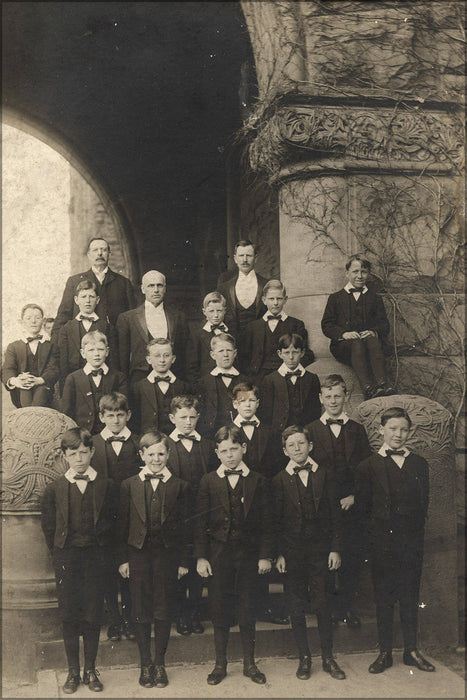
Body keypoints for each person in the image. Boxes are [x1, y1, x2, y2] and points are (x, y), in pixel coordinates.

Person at [355, 407, 435, 674]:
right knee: (385, 597)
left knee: (411, 595)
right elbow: (363, 511)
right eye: (392, 429)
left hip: (411, 542)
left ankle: (411, 650)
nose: (398, 435)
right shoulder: (367, 466)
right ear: (381, 430)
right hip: (382, 545)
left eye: (403, 429)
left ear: (410, 431)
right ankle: (385, 652)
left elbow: (423, 505)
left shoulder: (419, 464)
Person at [194, 425, 273, 686]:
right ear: (216, 452)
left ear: (244, 449)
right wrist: (201, 557)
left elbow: (266, 522)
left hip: (248, 554)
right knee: (219, 607)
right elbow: (200, 523)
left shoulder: (258, 480)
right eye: (224, 450)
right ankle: (220, 664)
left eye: (234, 449)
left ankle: (250, 663)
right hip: (218, 554)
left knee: (247, 606)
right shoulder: (208, 481)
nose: (230, 455)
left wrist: (265, 555)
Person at [41, 428, 118, 694]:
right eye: (73, 454)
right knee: (70, 615)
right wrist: (61, 556)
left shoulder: (106, 486)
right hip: (67, 560)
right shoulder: (54, 489)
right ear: (64, 456)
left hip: (96, 559)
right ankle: (73, 671)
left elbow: (113, 524)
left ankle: (90, 669)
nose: (79, 459)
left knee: (93, 613)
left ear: (92, 452)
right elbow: (49, 530)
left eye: (84, 452)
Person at [118, 431, 192, 689]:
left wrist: (183, 561)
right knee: (140, 608)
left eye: (161, 453)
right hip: (137, 555)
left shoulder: (180, 486)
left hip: (167, 556)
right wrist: (123, 560)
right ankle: (145, 663)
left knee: (163, 607)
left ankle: (160, 662)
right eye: (151, 454)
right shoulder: (129, 485)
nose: (157, 458)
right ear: (142, 455)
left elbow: (186, 528)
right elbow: (122, 525)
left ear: (169, 454)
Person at [273, 425, 346, 681]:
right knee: (296, 605)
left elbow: (336, 517)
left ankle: (328, 657)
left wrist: (335, 548)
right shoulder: (279, 480)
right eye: (291, 445)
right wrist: (279, 554)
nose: (297, 449)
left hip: (320, 551)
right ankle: (304, 658)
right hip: (292, 553)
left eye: (301, 444)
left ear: (310, 446)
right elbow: (276, 522)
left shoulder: (325, 475)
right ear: (284, 450)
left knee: (323, 603)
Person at [305, 374, 372, 627]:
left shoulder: (357, 430)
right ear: (321, 399)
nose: (333, 401)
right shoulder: (310, 430)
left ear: (345, 397)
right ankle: (325, 610)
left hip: (350, 507)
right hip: (321, 506)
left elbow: (366, 468)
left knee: (349, 557)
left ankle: (345, 608)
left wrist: (355, 495)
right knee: (323, 558)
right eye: (328, 396)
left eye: (338, 395)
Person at [230, 381, 289, 627]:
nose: (248, 405)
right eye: (242, 401)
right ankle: (236, 611)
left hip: (262, 496)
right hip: (235, 497)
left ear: (258, 403)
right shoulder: (226, 431)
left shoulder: (270, 431)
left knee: (261, 552)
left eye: (252, 401)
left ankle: (263, 607)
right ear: (235, 404)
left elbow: (276, 464)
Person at [90, 392, 141, 643]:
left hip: (133, 517)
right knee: (109, 569)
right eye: (110, 415)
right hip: (104, 518)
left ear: (128, 415)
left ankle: (131, 618)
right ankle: (115, 620)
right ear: (101, 417)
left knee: (129, 569)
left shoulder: (139, 443)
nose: (116, 420)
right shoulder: (92, 444)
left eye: (120, 415)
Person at [166, 395, 216, 636]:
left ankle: (195, 613)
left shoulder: (206, 446)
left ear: (198, 418)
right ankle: (180, 615)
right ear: (172, 418)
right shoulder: (165, 446)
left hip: (201, 513)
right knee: (179, 566)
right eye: (182, 417)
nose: (188, 422)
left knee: (198, 562)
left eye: (192, 417)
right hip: (175, 516)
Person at [321, 254, 394, 400]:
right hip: (344, 346)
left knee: (373, 340)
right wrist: (343, 334)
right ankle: (368, 387)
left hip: (370, 346)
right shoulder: (335, 298)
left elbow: (384, 324)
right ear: (347, 273)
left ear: (368, 273)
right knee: (356, 343)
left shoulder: (375, 298)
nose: (360, 276)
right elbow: (327, 325)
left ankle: (382, 383)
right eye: (355, 272)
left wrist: (373, 331)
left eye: (364, 272)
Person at [52, 237, 136, 341]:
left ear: (109, 254)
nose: (99, 253)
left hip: (115, 343)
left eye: (104, 250)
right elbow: (63, 316)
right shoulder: (74, 282)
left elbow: (132, 318)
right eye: (95, 250)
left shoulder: (123, 283)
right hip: (82, 344)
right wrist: (55, 349)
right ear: (88, 255)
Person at [116, 270, 186, 386]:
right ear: (143, 289)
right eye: (151, 286)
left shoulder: (178, 317)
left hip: (172, 377)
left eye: (159, 285)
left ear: (165, 288)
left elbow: (184, 353)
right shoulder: (127, 318)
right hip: (139, 379)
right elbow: (123, 357)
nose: (156, 290)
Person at [240, 279, 314, 380]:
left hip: (285, 377)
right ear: (264, 300)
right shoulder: (252, 327)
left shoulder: (296, 325)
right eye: (271, 299)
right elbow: (244, 357)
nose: (275, 303)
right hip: (258, 378)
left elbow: (307, 355)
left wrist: (291, 369)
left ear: (285, 299)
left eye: (279, 298)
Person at [61, 331, 127, 433]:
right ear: (83, 353)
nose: (96, 354)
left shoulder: (118, 377)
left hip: (111, 432)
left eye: (100, 349)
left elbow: (123, 409)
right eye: (91, 350)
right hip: (83, 434)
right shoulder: (73, 378)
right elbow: (67, 412)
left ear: (107, 351)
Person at [57, 279, 116, 393]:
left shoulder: (107, 327)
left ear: (97, 300)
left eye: (91, 297)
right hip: (76, 383)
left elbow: (113, 360)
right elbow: (63, 363)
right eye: (83, 297)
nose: (88, 301)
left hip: (102, 380)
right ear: (76, 300)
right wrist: (65, 389)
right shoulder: (67, 328)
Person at [260, 333, 321, 434]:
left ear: (302, 353)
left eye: (295, 352)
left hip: (305, 432)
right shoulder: (270, 380)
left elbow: (315, 411)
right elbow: (266, 414)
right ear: (280, 354)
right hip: (279, 433)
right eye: (287, 352)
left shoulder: (312, 379)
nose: (291, 357)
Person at [2, 303, 59, 408]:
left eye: (37, 318)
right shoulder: (13, 346)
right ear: (22, 322)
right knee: (24, 388)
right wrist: (16, 381)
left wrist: (38, 380)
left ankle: (32, 418)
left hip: (43, 386)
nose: (33, 321)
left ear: (43, 321)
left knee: (41, 393)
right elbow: (7, 370)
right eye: (28, 318)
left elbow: (53, 369)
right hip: (20, 390)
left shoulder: (50, 346)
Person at [195, 333, 248, 438]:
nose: (225, 354)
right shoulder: (203, 383)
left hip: (240, 433)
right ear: (212, 355)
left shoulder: (246, 381)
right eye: (221, 351)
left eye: (229, 350)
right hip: (212, 434)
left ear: (235, 353)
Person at [132, 338, 189, 435]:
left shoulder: (183, 386)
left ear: (173, 359)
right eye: (157, 356)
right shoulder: (138, 387)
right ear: (149, 359)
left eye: (166, 356)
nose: (162, 360)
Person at [217, 240, 269, 338]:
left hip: (260, 341)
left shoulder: (266, 284)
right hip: (232, 343)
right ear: (235, 259)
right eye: (241, 256)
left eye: (249, 256)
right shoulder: (224, 287)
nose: (245, 260)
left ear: (256, 258)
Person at [185, 291, 232, 384]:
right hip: (207, 383)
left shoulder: (232, 331)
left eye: (219, 311)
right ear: (204, 312)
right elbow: (191, 366)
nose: (215, 315)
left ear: (225, 311)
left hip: (229, 379)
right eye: (211, 311)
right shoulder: (196, 334)